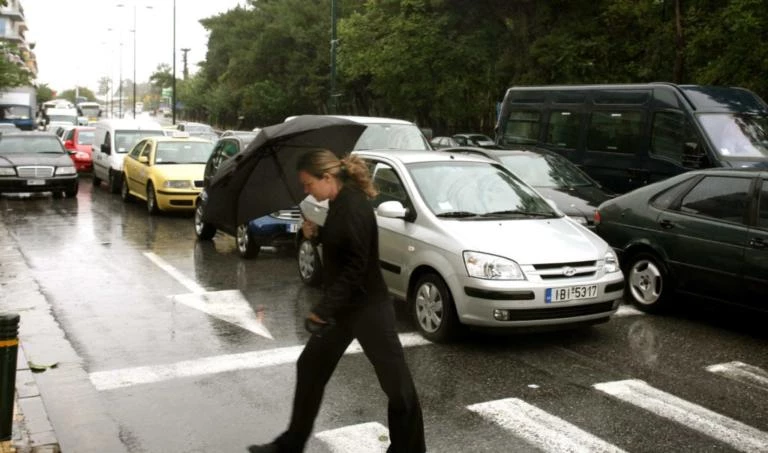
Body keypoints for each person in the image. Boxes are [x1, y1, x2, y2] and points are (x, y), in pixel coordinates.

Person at [248, 149, 426, 453]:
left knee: (398, 388)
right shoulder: (339, 203)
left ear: (327, 177)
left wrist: (323, 310)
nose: (307, 191)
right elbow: (342, 245)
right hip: (344, 309)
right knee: (310, 367)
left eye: (308, 184)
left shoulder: (353, 206)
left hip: (368, 309)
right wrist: (315, 234)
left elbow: (356, 267)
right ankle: (290, 445)